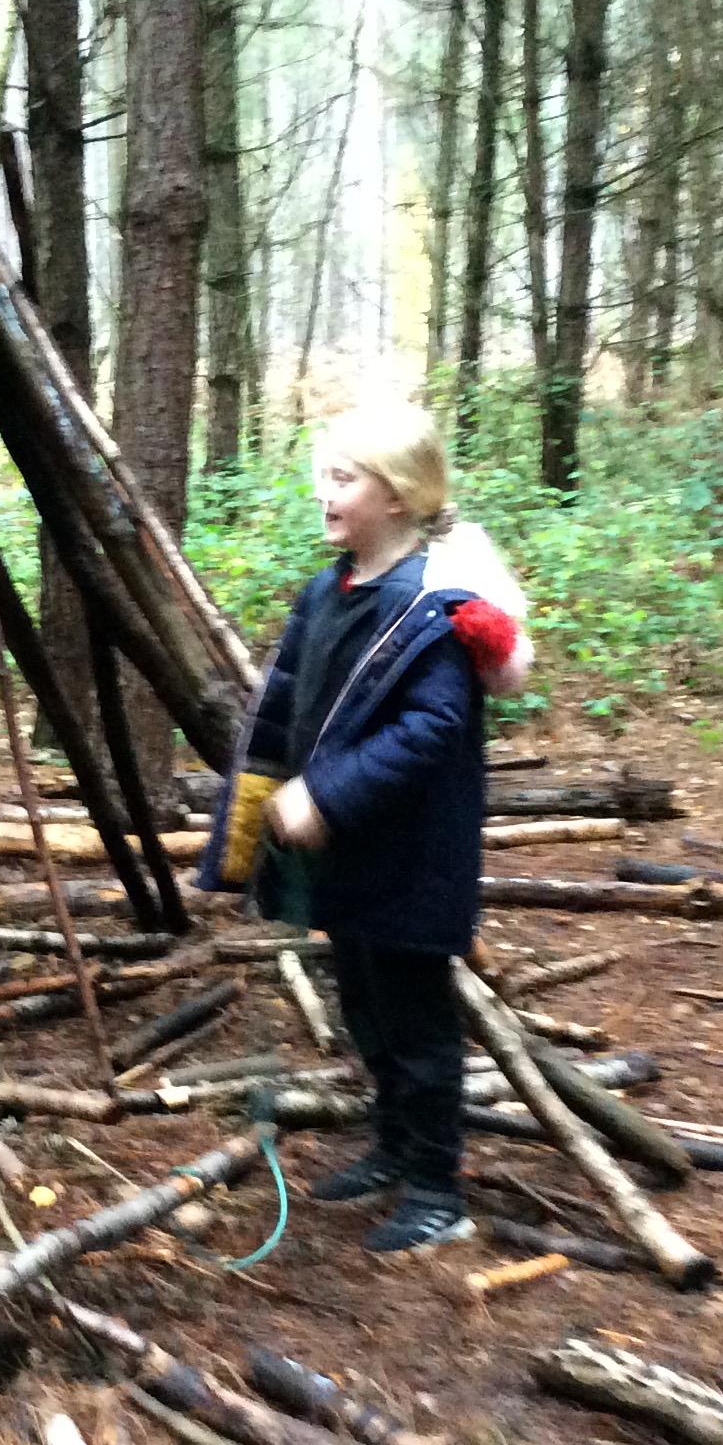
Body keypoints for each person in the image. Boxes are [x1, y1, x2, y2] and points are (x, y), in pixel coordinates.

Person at [197, 399, 532, 1253]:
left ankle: (437, 1189)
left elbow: (431, 728)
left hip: (413, 856)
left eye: (342, 478)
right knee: (366, 1011)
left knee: (417, 1024)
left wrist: (326, 797)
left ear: (399, 494)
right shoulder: (327, 592)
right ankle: (392, 1147)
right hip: (348, 857)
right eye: (323, 475)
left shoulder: (434, 605)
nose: (324, 492)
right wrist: (264, 805)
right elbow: (284, 705)